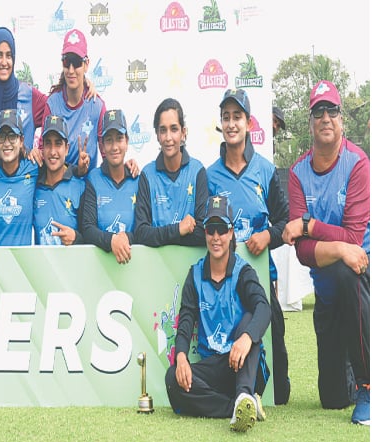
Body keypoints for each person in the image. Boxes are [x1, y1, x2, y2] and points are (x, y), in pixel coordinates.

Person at [282, 80, 370, 424]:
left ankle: (367, 385)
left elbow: (353, 236)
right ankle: (351, 366)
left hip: (360, 274)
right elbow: (302, 252)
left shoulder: (358, 163)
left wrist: (308, 224)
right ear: (310, 123)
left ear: (341, 119)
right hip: (326, 285)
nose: (326, 117)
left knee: (348, 270)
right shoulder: (297, 172)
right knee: (332, 400)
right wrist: (336, 247)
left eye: (332, 110)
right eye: (318, 111)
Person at [207, 89, 290, 405]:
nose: (231, 124)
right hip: (224, 284)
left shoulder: (265, 171)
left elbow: (285, 223)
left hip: (260, 281)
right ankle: (238, 392)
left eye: (237, 117)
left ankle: (271, 386)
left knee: (279, 386)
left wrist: (268, 236)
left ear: (248, 122)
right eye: (226, 117)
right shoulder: (210, 174)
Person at [165, 195, 270, 432]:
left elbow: (264, 308)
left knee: (247, 320)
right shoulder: (195, 275)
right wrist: (180, 356)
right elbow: (186, 320)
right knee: (173, 379)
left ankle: (245, 394)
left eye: (221, 230)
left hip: (245, 364)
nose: (216, 237)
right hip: (214, 366)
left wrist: (246, 338)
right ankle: (238, 406)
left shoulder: (243, 271)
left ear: (231, 233)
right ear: (204, 233)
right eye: (211, 230)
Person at [134, 98, 207, 247]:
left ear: (183, 132)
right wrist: (178, 230)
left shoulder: (197, 171)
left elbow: (203, 232)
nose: (168, 138)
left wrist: (159, 236)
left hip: (192, 268)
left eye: (174, 129)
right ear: (157, 135)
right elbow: (141, 233)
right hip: (155, 268)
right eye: (163, 130)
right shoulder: (147, 175)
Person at [0, 27, 47, 161]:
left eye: (9, 55)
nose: (4, 62)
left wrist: (82, 83)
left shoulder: (29, 97)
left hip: (22, 179)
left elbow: (59, 106)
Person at [43, 28, 106, 177]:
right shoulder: (52, 104)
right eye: (67, 62)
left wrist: (128, 168)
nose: (71, 70)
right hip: (58, 187)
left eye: (76, 62)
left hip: (87, 191)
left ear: (86, 64)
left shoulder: (97, 106)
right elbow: (43, 151)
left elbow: (108, 153)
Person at [81, 109, 140, 264]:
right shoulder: (93, 179)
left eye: (119, 139)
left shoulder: (139, 180)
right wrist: (111, 241)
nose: (114, 147)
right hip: (100, 272)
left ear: (127, 142)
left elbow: (144, 229)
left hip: (134, 268)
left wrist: (127, 237)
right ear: (102, 145)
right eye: (109, 140)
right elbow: (87, 228)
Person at [0, 108, 38, 246]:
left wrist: (79, 170)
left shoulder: (33, 166)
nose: (7, 143)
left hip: (23, 262)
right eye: (2, 136)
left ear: (21, 140)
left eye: (12, 136)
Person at [33, 115, 85, 246]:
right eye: (48, 144)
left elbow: (91, 234)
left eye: (58, 144)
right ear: (42, 149)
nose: (52, 151)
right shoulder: (33, 186)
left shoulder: (80, 186)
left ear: (67, 149)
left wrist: (76, 237)